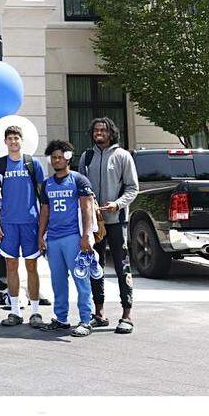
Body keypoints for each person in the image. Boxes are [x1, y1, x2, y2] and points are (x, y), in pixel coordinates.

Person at [79, 117, 139, 334]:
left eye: (103, 130)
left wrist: (117, 204)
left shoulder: (123, 156)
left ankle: (127, 314)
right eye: (95, 130)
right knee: (95, 267)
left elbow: (133, 188)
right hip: (94, 224)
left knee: (123, 267)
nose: (99, 133)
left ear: (111, 133)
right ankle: (99, 313)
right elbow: (81, 189)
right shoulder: (86, 157)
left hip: (117, 222)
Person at [38, 139, 98, 337]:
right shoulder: (47, 184)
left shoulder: (79, 180)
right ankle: (61, 319)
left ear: (67, 158)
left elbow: (87, 208)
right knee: (58, 282)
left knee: (81, 279)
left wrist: (86, 235)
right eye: (53, 157)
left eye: (59, 157)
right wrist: (41, 236)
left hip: (73, 237)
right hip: (53, 238)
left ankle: (86, 320)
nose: (56, 161)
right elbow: (44, 213)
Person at [0, 125, 47, 328]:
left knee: (32, 266)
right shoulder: (0, 164)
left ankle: (35, 312)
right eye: (10, 138)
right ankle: (14, 312)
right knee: (11, 267)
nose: (13, 141)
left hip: (31, 222)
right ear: (5, 142)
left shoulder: (33, 163)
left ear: (22, 140)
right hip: (8, 224)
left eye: (16, 138)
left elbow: (43, 195)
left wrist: (44, 226)